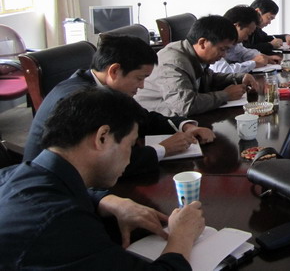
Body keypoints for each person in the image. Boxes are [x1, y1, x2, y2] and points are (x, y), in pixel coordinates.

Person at [0, 88, 205, 269]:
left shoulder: (14, 174)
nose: (129, 158)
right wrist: (181, 237)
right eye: (131, 144)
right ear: (102, 137)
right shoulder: (61, 223)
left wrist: (107, 201)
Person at [23, 35, 215, 177]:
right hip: (53, 182)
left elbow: (144, 118)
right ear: (114, 71)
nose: (142, 86)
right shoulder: (80, 98)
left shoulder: (109, 89)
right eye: (139, 78)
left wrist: (186, 126)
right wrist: (163, 149)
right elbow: (102, 161)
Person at [136, 15, 257, 117]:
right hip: (156, 123)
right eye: (222, 49)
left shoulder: (192, 54)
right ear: (202, 43)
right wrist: (225, 95)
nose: (224, 55)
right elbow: (185, 105)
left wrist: (240, 77)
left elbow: (209, 78)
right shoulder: (173, 62)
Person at [211, 5, 281, 74]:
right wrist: (254, 63)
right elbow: (223, 71)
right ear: (237, 26)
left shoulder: (233, 42)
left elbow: (242, 52)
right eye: (248, 34)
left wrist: (264, 57)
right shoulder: (214, 40)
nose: (246, 38)